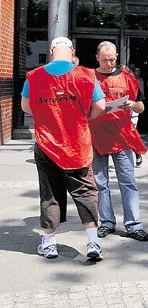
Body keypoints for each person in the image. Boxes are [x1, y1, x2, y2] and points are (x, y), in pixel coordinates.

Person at [20, 37, 106, 261]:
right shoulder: (86, 75)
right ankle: (93, 243)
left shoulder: (34, 76)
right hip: (76, 144)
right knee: (85, 193)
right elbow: (100, 106)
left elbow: (25, 106)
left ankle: (49, 244)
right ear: (72, 52)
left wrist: (46, 114)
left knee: (50, 194)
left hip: (47, 144)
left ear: (51, 53)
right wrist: (83, 118)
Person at [89, 41, 148, 242]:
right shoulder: (89, 78)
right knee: (100, 183)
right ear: (97, 57)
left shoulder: (128, 79)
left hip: (122, 137)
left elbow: (141, 106)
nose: (109, 63)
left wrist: (132, 104)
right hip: (96, 137)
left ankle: (134, 225)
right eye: (105, 59)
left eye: (113, 59)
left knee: (128, 182)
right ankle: (106, 222)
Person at [131, 66, 145, 167]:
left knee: (130, 136)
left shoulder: (134, 84)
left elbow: (140, 103)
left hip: (132, 115)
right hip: (117, 117)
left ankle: (138, 154)